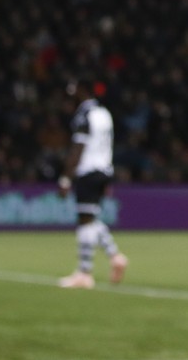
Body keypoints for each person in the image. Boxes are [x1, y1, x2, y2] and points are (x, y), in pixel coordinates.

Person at [57, 78, 129, 289]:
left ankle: (85, 272)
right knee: (89, 219)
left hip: (88, 170)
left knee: (85, 221)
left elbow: (78, 147)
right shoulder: (104, 113)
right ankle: (114, 257)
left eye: (73, 93)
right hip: (103, 169)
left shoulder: (84, 115)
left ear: (83, 91)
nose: (70, 98)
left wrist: (66, 178)